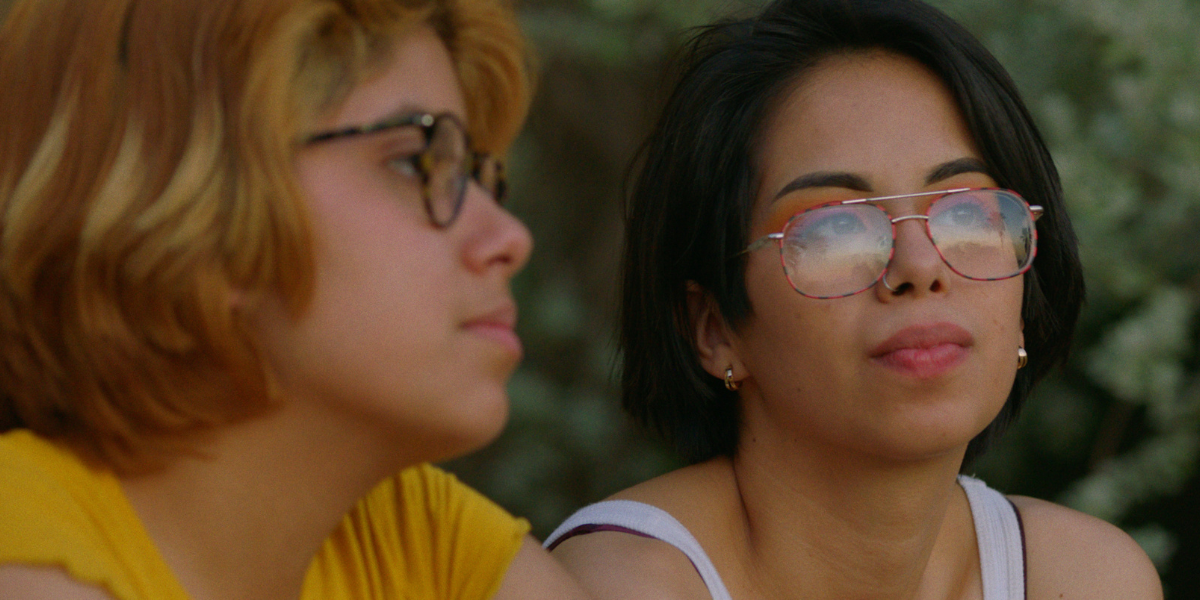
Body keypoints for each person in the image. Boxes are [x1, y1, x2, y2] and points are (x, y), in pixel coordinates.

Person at [545, 0, 1163, 598]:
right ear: (714, 328)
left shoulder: (1083, 579)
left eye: (969, 212)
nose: (920, 267)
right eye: (835, 227)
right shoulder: (621, 584)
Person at [0, 0, 590, 599]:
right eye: (414, 161)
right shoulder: (29, 570)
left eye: (471, 175)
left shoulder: (422, 542)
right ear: (194, 204)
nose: (509, 239)